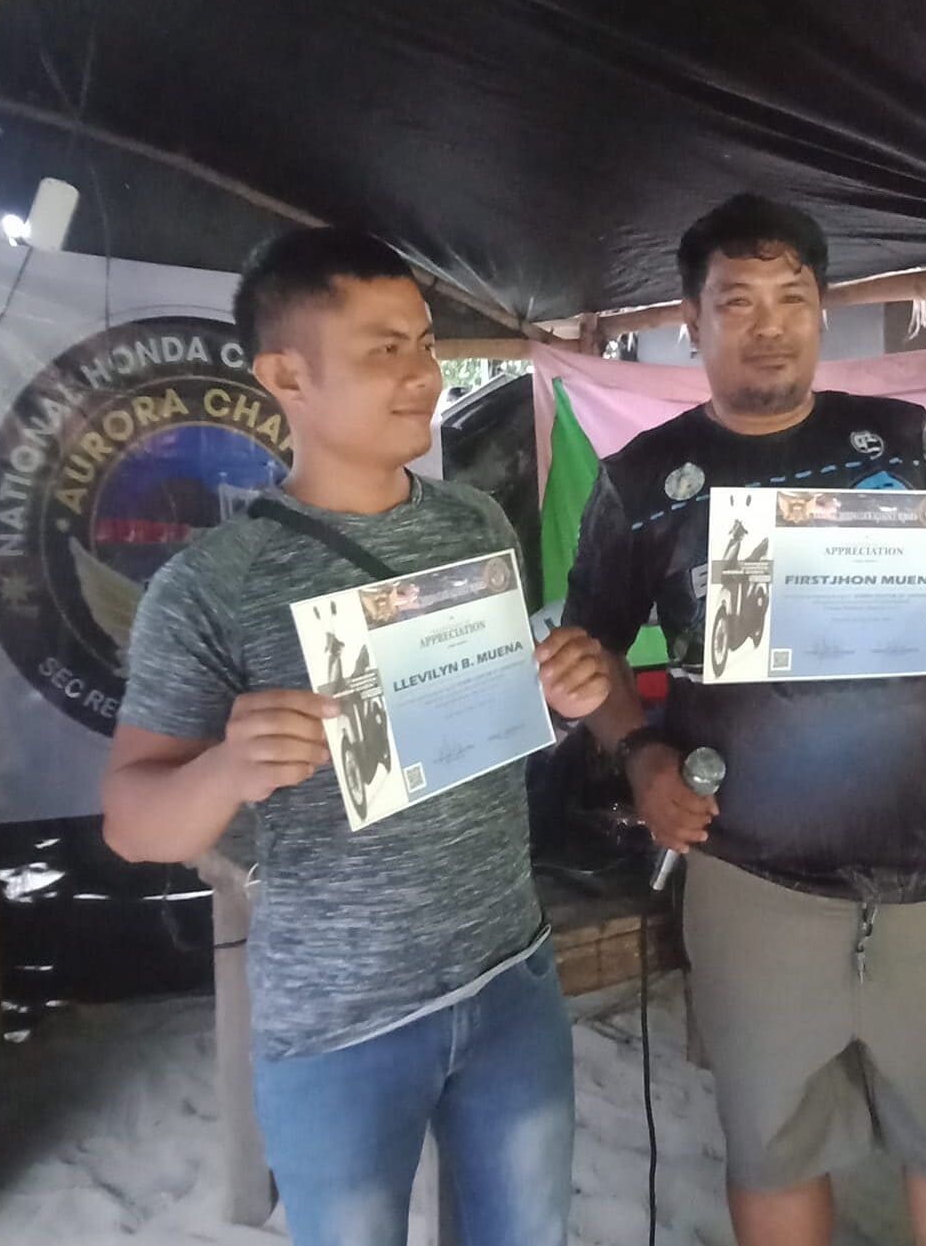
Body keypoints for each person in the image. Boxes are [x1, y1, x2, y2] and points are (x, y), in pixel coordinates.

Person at [100, 227, 609, 1246]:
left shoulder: (475, 525)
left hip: (509, 972)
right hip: (341, 1021)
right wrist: (226, 766)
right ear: (286, 375)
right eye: (385, 349)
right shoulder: (211, 586)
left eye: (426, 343)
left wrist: (554, 698)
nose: (423, 374)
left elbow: (483, 731)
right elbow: (132, 822)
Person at [565, 193, 926, 1246]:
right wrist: (641, 756)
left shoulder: (901, 440)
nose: (768, 324)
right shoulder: (642, 482)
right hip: (750, 869)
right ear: (692, 319)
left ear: (822, 311)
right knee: (772, 1148)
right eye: (737, 301)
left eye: (792, 298)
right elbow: (592, 657)